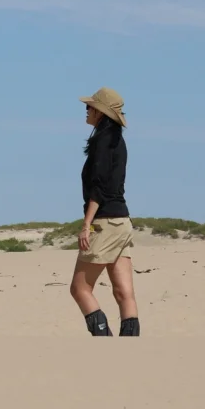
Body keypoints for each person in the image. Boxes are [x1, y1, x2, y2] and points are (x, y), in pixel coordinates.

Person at [70, 87, 139, 337]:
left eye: (90, 107)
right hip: (122, 222)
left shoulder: (101, 142)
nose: (86, 110)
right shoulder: (118, 142)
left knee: (79, 289)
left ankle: (105, 345)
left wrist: (87, 224)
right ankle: (130, 351)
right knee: (124, 293)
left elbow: (98, 188)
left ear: (100, 112)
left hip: (105, 222)